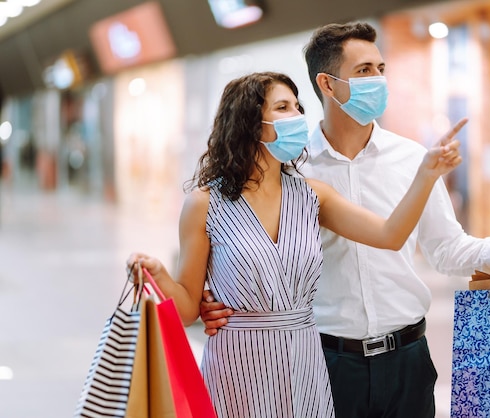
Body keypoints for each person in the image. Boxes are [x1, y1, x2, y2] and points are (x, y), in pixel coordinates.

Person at [200, 23, 490, 418]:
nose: (377, 80)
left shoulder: (412, 159)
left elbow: (445, 248)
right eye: (363, 71)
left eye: (380, 68)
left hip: (408, 358)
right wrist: (215, 299)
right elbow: (247, 241)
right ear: (327, 83)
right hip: (326, 363)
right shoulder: (291, 169)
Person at [127, 71, 465, 418]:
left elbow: (390, 235)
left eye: (297, 106)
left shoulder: (312, 196)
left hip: (305, 365)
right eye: (283, 107)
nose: (298, 116)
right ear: (251, 123)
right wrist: (158, 275)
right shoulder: (205, 204)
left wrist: (427, 174)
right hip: (236, 369)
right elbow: (187, 308)